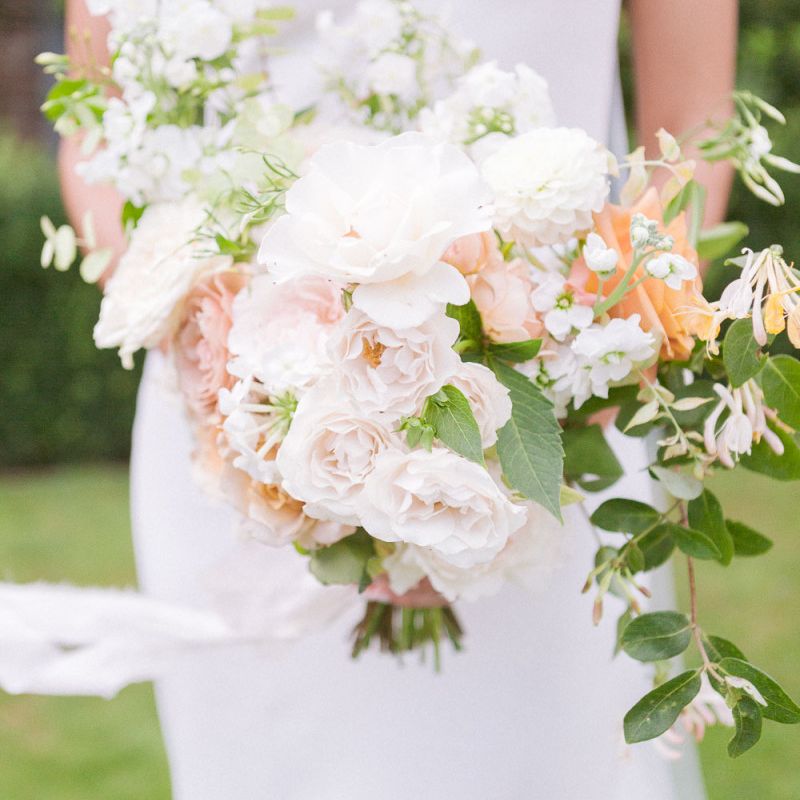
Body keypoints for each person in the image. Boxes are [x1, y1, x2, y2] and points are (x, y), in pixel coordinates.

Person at [60, 1, 737, 797]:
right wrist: (231, 355)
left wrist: (587, 356)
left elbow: (695, 122)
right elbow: (93, 125)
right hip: (240, 437)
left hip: (545, 426)